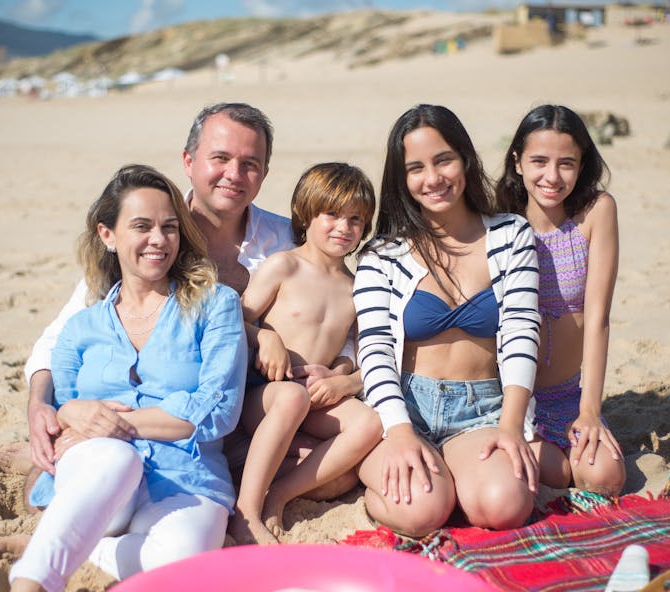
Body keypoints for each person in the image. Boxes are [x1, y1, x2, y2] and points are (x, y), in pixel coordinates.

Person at [0, 164, 248, 592]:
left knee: (178, 563)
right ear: (107, 234)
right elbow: (63, 416)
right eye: (142, 226)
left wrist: (109, 422)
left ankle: (70, 543)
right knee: (114, 457)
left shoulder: (216, 305)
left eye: (170, 227)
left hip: (188, 481)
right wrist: (70, 410)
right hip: (98, 480)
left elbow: (217, 410)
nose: (159, 240)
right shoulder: (81, 327)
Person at [14, 103, 291, 482]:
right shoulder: (146, 240)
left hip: (241, 406)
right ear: (188, 160)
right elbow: (62, 335)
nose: (234, 174)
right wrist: (39, 406)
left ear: (264, 173)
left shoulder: (286, 241)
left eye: (250, 163)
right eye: (220, 158)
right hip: (164, 416)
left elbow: (329, 302)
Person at [352, 104, 541, 537]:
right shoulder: (382, 256)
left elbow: (520, 329)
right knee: (421, 513)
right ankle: (374, 482)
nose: (432, 178)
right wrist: (398, 432)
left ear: (466, 159)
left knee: (504, 507)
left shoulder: (511, 234)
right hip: (404, 407)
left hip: (483, 409)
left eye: (443, 160)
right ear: (401, 179)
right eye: (415, 168)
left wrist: (511, 426)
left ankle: (451, 477)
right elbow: (375, 347)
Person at [230, 162, 383, 545]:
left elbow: (367, 356)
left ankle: (279, 494)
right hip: (263, 394)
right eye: (332, 214)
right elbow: (233, 323)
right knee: (291, 396)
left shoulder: (356, 287)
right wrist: (267, 339)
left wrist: (344, 379)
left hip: (313, 399)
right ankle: (246, 511)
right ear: (306, 213)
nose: (344, 228)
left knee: (366, 430)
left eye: (356, 220)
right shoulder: (284, 266)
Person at [495, 104, 625, 495]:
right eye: (539, 161)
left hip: (570, 396)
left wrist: (590, 411)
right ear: (517, 162)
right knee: (556, 473)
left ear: (582, 165)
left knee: (605, 477)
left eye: (566, 163)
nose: (552, 177)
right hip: (512, 398)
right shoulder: (499, 217)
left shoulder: (596, 212)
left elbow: (598, 319)